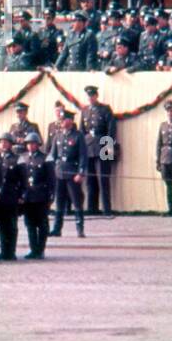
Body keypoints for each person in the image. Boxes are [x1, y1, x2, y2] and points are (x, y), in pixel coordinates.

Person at [48, 108, 87, 238]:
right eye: (61, 119)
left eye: (64, 119)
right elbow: (52, 156)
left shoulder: (78, 135)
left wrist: (80, 173)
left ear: (70, 120)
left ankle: (80, 229)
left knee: (76, 201)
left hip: (72, 174)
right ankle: (57, 229)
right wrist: (50, 171)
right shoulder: (57, 136)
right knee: (59, 202)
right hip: (59, 173)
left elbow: (83, 156)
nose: (61, 121)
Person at [81, 84, 117, 216]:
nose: (90, 98)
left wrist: (108, 150)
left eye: (92, 95)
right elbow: (82, 132)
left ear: (96, 96)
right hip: (89, 148)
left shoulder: (105, 109)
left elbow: (111, 129)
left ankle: (106, 210)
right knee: (90, 180)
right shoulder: (84, 111)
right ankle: (92, 208)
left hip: (103, 147)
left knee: (103, 179)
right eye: (88, 96)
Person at [18, 131, 53, 260]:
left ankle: (40, 249)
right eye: (28, 144)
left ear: (38, 144)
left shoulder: (46, 157)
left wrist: (50, 196)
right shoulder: (23, 158)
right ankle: (33, 250)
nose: (30, 146)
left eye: (33, 144)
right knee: (30, 225)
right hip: (28, 196)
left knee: (42, 224)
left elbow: (51, 179)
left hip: (41, 196)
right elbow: (21, 178)